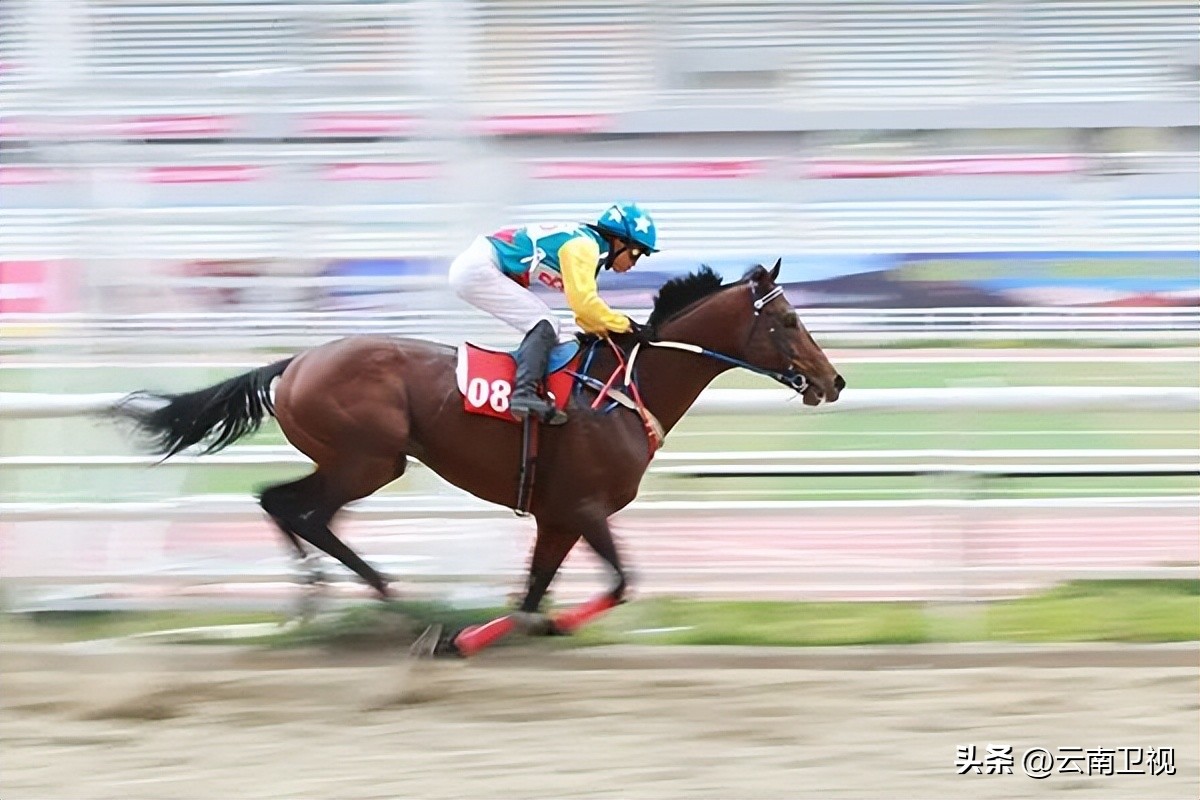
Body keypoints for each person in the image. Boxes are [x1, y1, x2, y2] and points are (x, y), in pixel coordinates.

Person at [448, 202, 658, 424]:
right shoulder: (585, 247)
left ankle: (537, 393)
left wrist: (617, 329)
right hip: (479, 268)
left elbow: (586, 319)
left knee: (558, 333)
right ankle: (523, 394)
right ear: (618, 240)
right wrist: (628, 325)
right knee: (544, 322)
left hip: (480, 266)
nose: (633, 263)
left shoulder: (588, 245)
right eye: (635, 253)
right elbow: (585, 306)